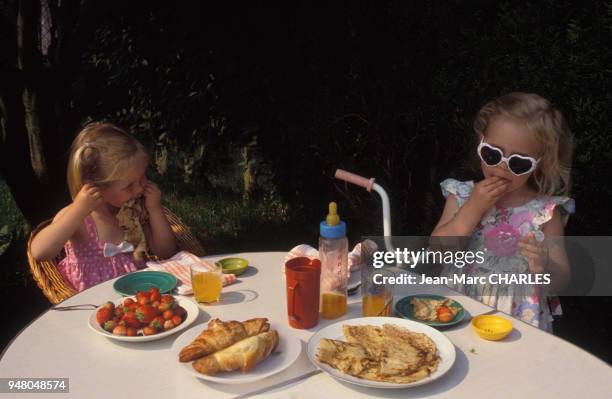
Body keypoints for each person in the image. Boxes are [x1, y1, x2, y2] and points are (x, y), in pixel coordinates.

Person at [431, 92, 575, 331]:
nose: (502, 166)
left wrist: (545, 264)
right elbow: (437, 254)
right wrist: (473, 209)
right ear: (481, 141)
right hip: (457, 312)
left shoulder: (546, 213)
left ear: (540, 163)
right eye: (492, 154)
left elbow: (562, 282)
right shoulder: (462, 196)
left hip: (519, 325)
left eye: (518, 163)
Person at [30, 123, 177, 291]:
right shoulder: (81, 218)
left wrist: (155, 209)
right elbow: (40, 252)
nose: (139, 188)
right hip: (92, 301)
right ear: (96, 187)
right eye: (129, 185)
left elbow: (166, 252)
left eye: (142, 178)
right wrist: (78, 210)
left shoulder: (134, 210)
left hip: (136, 296)